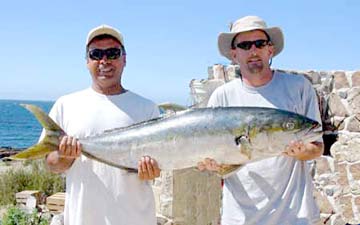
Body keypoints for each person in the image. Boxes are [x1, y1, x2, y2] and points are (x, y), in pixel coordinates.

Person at [198, 16, 324, 225]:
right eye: (245, 45)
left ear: (270, 50)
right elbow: (216, 159)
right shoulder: (222, 97)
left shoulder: (299, 88)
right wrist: (210, 164)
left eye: (260, 43)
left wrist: (302, 152)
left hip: (294, 217)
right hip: (240, 218)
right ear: (234, 54)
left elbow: (317, 146)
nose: (253, 51)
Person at [45, 24, 160, 225]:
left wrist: (153, 171)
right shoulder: (65, 105)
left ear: (124, 59)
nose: (104, 61)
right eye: (96, 53)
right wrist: (64, 155)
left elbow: (159, 164)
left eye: (113, 53)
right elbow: (51, 164)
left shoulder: (148, 109)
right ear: (87, 61)